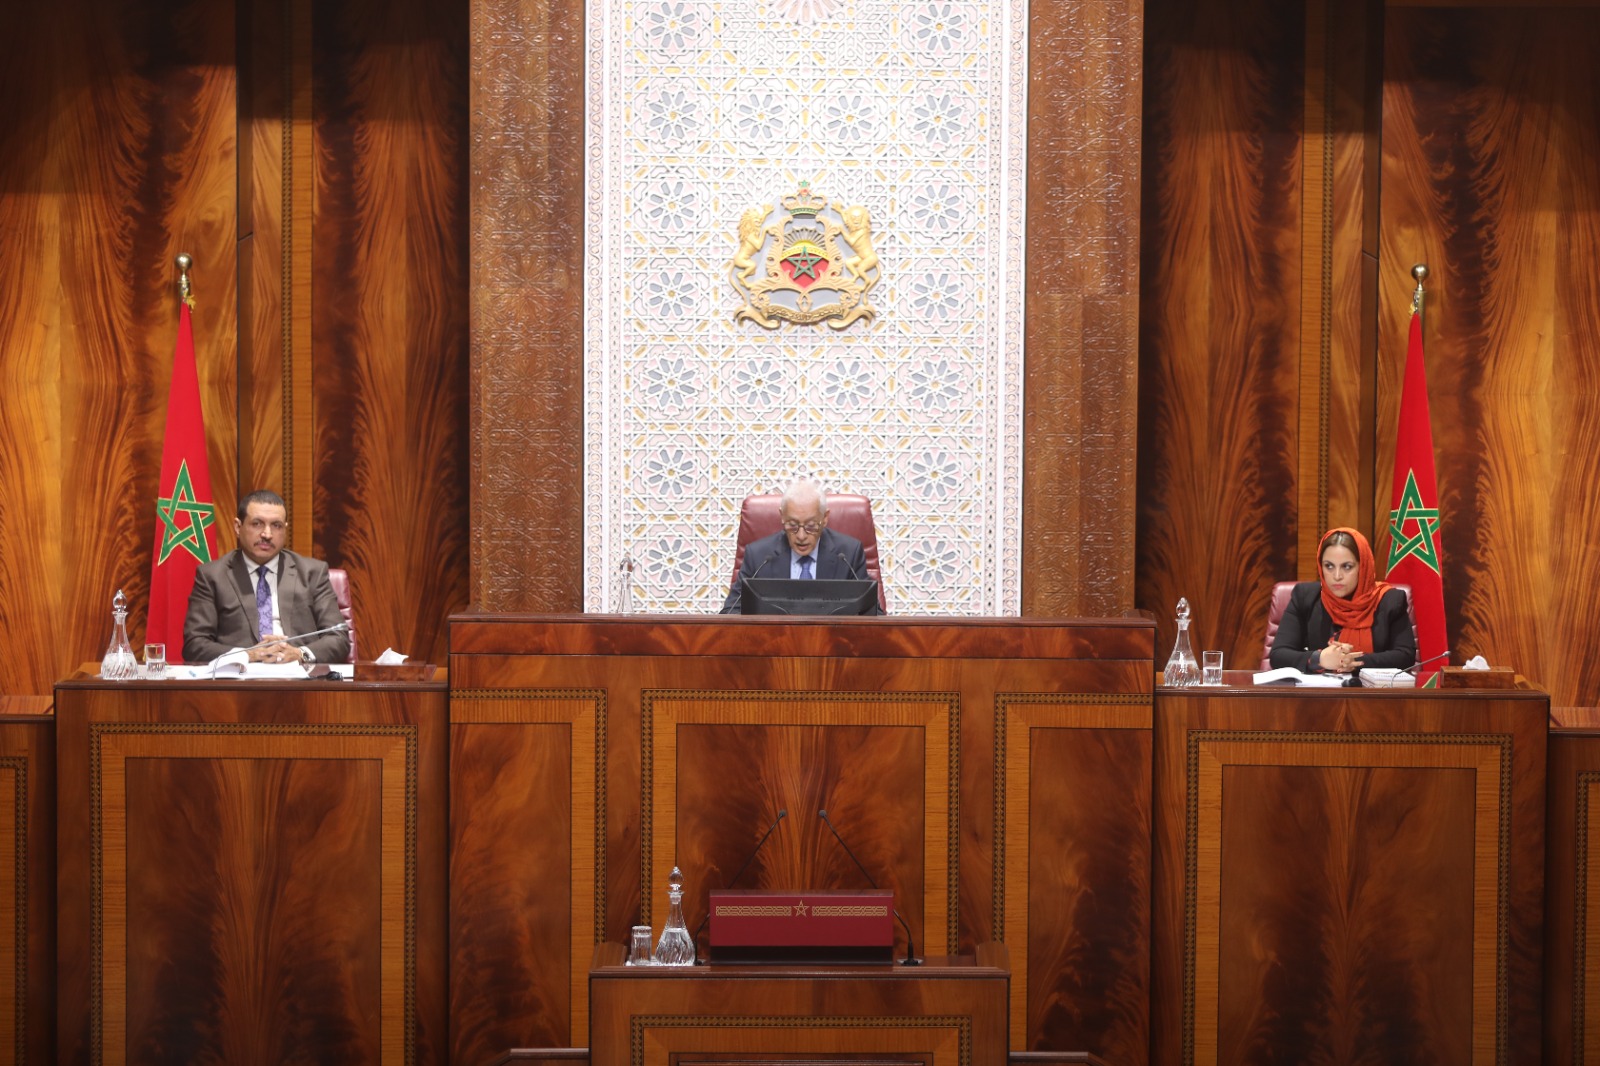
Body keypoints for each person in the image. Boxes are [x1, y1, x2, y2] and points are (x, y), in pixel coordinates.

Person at [183, 490, 352, 664]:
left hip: (298, 675)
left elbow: (338, 637)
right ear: (238, 527)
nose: (267, 534)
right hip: (239, 677)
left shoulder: (312, 573)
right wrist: (248, 655)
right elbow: (195, 644)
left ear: (285, 529)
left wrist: (300, 654)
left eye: (276, 525)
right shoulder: (213, 576)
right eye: (257, 524)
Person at [1269, 527, 1416, 674]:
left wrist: (1352, 661)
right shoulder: (1305, 597)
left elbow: (1405, 656)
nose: (1337, 576)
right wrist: (1319, 658)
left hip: (1372, 688)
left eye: (1347, 567)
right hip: (1318, 688)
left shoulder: (1389, 601)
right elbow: (1278, 655)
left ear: (1362, 567)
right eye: (1329, 566)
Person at [720, 480, 878, 614]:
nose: (801, 536)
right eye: (792, 525)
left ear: (825, 518)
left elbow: (873, 615)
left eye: (811, 526)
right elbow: (731, 612)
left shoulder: (848, 554)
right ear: (782, 516)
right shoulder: (758, 556)